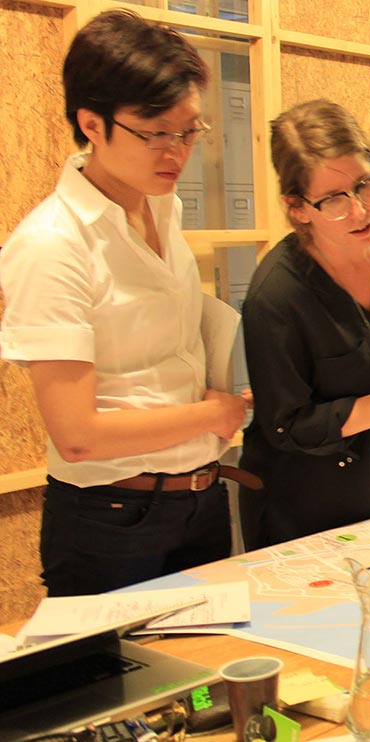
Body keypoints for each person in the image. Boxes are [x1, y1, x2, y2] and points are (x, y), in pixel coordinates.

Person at [0, 9, 251, 596]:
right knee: (121, 686)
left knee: (209, 678)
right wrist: (211, 416)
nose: (177, 152)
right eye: (155, 132)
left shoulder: (163, 205)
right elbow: (77, 434)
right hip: (111, 517)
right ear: (92, 123)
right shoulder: (51, 244)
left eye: (191, 131)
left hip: (201, 496)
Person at [237, 100, 370, 548]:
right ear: (298, 207)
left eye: (366, 185)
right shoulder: (276, 295)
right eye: (334, 200)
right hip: (307, 514)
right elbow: (287, 426)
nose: (361, 211)